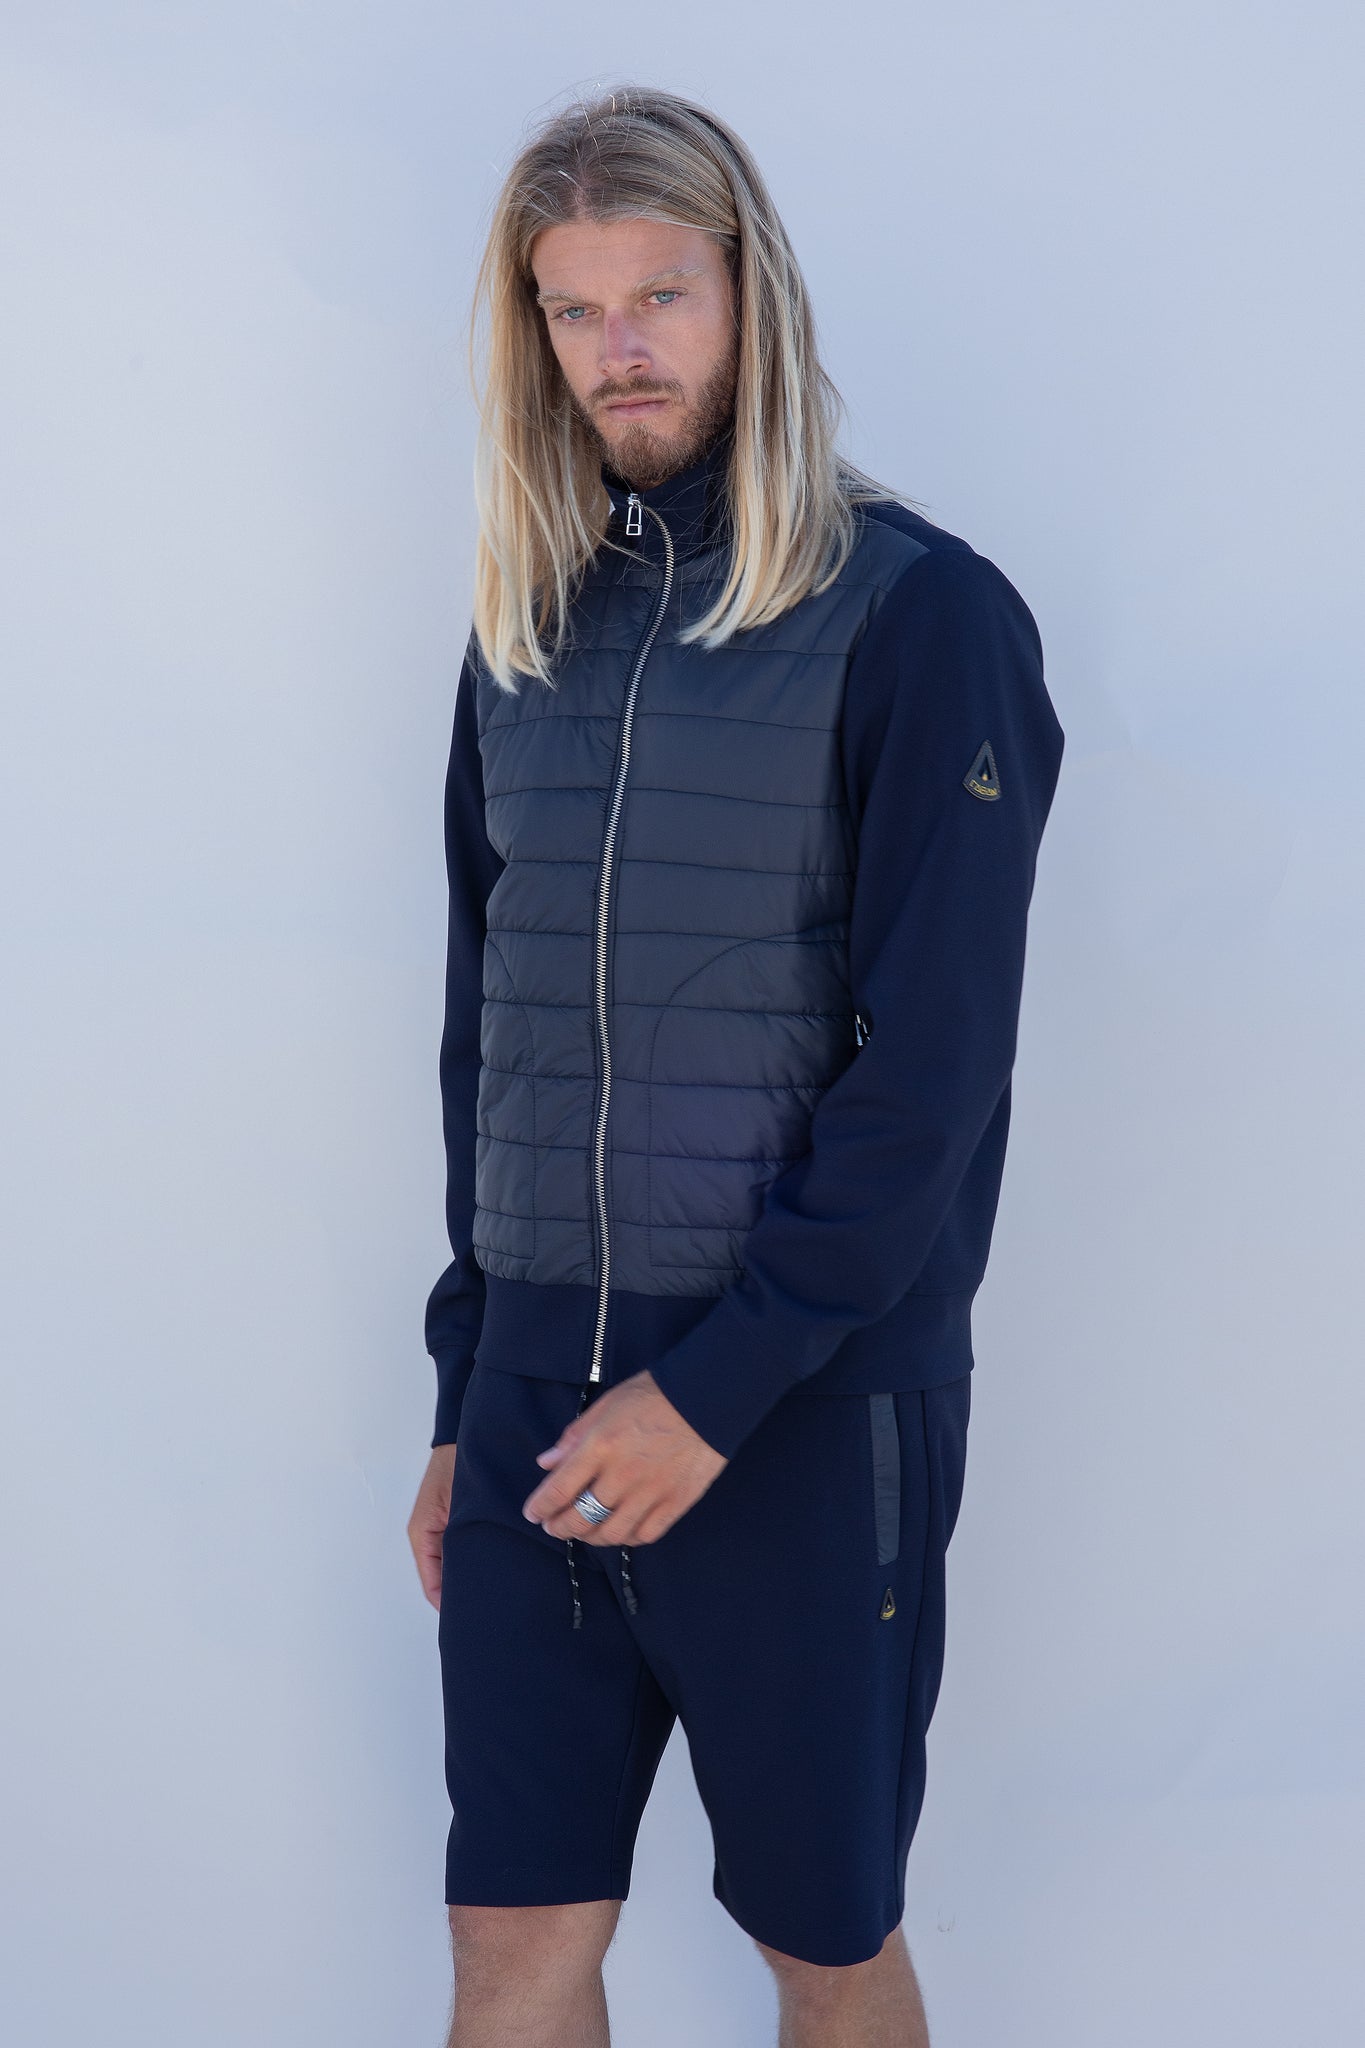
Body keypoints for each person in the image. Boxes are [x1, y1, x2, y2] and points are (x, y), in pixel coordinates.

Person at [406, 82, 1064, 2048]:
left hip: (797, 1410)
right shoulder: (522, 634)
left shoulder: (920, 616)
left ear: (748, 296)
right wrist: (464, 1388)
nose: (618, 348)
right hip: (533, 1395)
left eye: (659, 297)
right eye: (574, 307)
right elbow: (487, 1035)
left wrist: (711, 1391)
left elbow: (930, 1080)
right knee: (510, 1941)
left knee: (821, 1947)